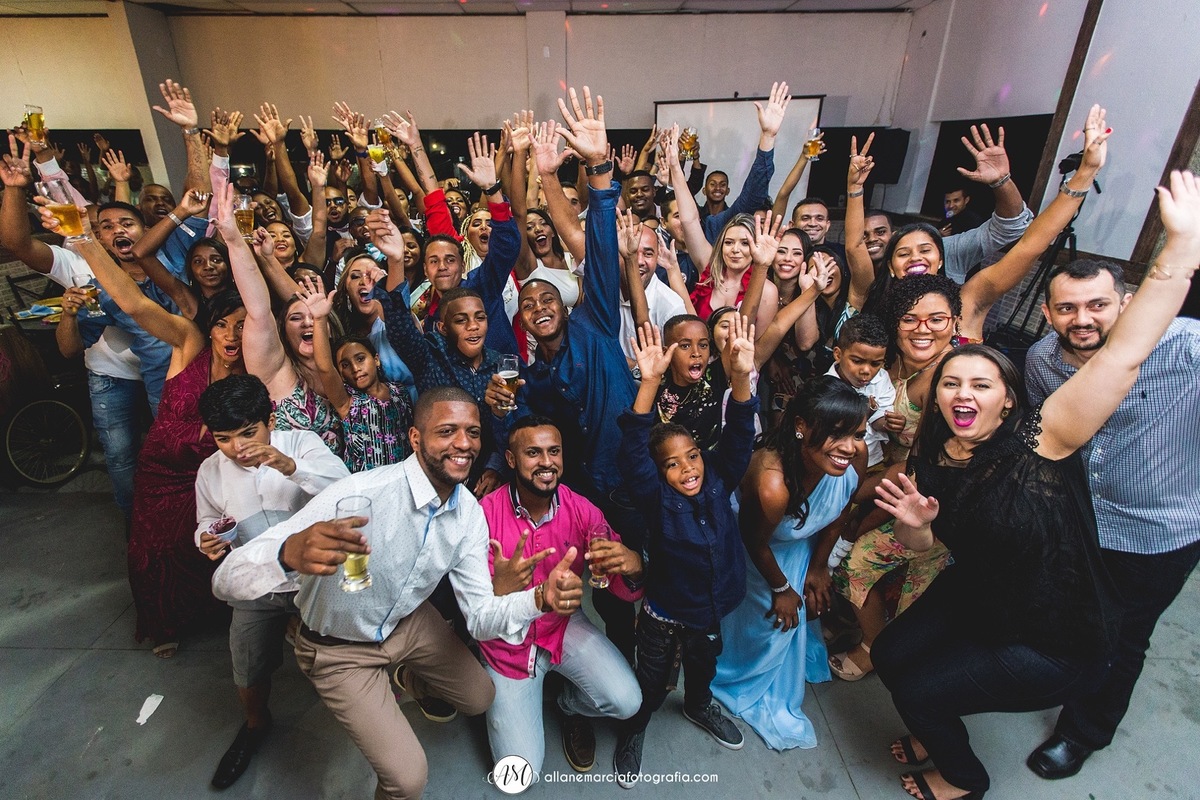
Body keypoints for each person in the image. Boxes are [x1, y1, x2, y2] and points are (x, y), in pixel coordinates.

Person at [866, 167, 1199, 800]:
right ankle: (935, 729)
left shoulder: (1040, 441)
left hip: (1052, 631)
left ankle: (963, 779)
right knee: (888, 656)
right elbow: (927, 545)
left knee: (919, 689)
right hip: (980, 594)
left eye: (981, 384)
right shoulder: (933, 451)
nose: (963, 394)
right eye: (951, 383)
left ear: (1010, 400)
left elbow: (1123, 354)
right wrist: (916, 529)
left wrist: (1180, 251)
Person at [211, 386, 585, 800]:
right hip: (339, 649)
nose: (464, 443)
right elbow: (225, 577)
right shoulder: (360, 493)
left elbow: (480, 618)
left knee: (481, 697)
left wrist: (538, 599)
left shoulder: (469, 517)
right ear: (415, 438)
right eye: (447, 431)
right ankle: (377, 693)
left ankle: (406, 676)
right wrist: (285, 554)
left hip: (409, 623)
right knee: (407, 780)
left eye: (473, 432)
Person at [39, 199, 248, 659]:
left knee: (208, 551)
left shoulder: (254, 371)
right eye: (223, 326)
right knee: (152, 553)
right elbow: (132, 303)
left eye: (242, 327)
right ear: (209, 327)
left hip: (210, 479)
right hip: (162, 471)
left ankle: (218, 612)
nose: (232, 336)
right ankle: (163, 621)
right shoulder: (188, 343)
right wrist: (83, 240)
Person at [1023, 256, 1200, 779]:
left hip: (1158, 532)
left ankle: (1083, 732)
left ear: (1126, 303)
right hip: (1076, 522)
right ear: (1047, 313)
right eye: (1067, 308)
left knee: (1123, 637)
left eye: (1098, 305)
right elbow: (1044, 439)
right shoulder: (1041, 360)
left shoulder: (1186, 347)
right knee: (1072, 617)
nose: (1083, 319)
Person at [611, 319, 758, 786]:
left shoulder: (718, 476)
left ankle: (698, 705)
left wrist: (740, 378)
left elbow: (739, 434)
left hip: (710, 609)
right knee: (651, 680)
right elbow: (633, 454)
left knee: (703, 664)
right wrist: (649, 383)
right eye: (671, 464)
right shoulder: (654, 497)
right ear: (658, 473)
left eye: (691, 456)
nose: (687, 469)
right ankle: (636, 726)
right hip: (665, 612)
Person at [193, 374, 349, 789]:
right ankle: (255, 724)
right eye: (224, 438)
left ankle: (355, 720)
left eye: (248, 433)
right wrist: (205, 538)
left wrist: (288, 466)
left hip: (312, 580)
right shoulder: (210, 471)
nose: (238, 448)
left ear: (271, 420)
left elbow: (344, 490)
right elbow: (206, 519)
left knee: (337, 658)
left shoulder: (301, 443)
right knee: (247, 661)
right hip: (255, 583)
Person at [711, 377, 869, 751]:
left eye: (858, 434)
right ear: (801, 426)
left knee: (804, 612)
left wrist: (818, 568)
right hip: (758, 556)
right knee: (775, 625)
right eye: (837, 434)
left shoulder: (855, 455)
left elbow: (840, 510)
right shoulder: (772, 485)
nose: (850, 447)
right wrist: (782, 589)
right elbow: (753, 542)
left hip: (803, 547)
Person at [480, 416, 643, 774]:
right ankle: (509, 695)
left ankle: (568, 704)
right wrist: (500, 587)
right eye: (533, 453)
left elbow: (615, 576)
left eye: (554, 451)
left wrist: (632, 565)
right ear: (511, 459)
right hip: (508, 645)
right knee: (520, 773)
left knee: (627, 700)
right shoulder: (483, 515)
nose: (547, 462)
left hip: (562, 626)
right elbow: (477, 611)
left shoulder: (581, 508)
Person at [304, 276, 415, 473]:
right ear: (340, 373)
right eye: (345, 365)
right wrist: (319, 319)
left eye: (360, 359)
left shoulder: (400, 392)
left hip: (401, 480)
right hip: (363, 484)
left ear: (376, 359)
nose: (355, 368)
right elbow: (325, 367)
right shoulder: (347, 402)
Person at [826, 314, 894, 469]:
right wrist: (865, 413)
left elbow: (880, 420)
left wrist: (890, 422)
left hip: (873, 462)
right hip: (835, 463)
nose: (866, 370)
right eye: (857, 361)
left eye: (875, 364)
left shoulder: (881, 378)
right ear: (838, 354)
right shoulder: (826, 388)